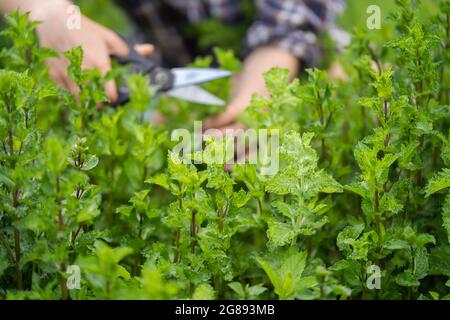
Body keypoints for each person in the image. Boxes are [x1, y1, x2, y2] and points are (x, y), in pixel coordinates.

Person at [0, 0, 345, 131]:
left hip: (298, 62)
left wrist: (254, 100)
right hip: (165, 74)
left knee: (353, 96)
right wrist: (46, 11)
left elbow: (289, 26)